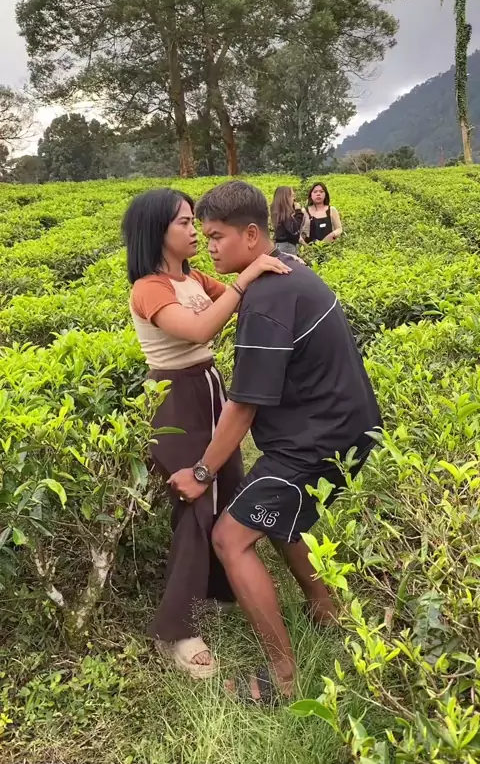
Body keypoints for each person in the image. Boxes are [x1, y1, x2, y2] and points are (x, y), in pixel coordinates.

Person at [168, 181, 381, 705]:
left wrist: (202, 473)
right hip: (344, 424)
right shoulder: (283, 267)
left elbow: (243, 407)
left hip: (317, 439)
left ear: (250, 234)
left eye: (216, 236)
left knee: (231, 537)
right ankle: (324, 608)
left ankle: (283, 679)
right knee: (277, 512)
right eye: (202, 235)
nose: (208, 246)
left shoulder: (268, 298)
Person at [121, 188, 290, 680]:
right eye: (184, 222)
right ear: (157, 231)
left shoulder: (193, 278)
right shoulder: (149, 288)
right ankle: (178, 629)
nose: (194, 231)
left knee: (227, 486)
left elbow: (239, 300)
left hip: (211, 391)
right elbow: (199, 330)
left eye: (195, 221)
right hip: (176, 399)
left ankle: (217, 590)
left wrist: (272, 270)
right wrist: (245, 279)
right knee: (195, 503)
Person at [270, 185, 305, 255]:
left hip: (280, 245)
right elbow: (294, 229)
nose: (294, 199)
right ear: (285, 198)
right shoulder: (285, 216)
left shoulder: (278, 214)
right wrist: (298, 212)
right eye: (292, 196)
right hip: (287, 247)